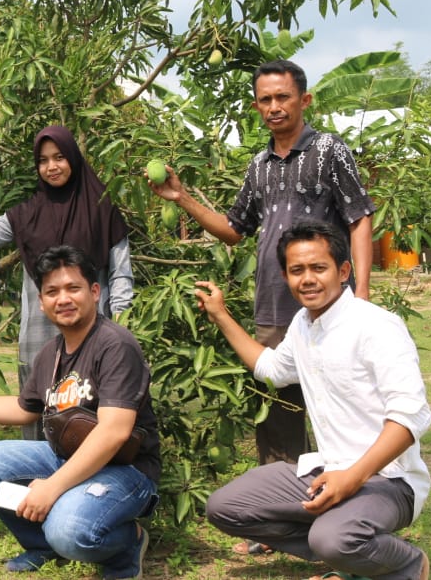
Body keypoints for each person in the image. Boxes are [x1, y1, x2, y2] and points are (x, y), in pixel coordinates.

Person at [149, 59, 375, 554]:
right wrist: (182, 197)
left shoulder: (329, 150)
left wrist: (361, 291)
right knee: (278, 414)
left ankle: (360, 511)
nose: (274, 107)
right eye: (265, 100)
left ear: (304, 100)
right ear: (257, 106)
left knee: (346, 409)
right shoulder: (258, 165)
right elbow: (234, 230)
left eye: (283, 97)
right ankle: (286, 519)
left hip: (331, 305)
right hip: (275, 307)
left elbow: (359, 218)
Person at [196, 220, 431, 580]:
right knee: (225, 507)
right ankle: (344, 548)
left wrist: (352, 478)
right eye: (297, 270)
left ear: (343, 270)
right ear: (286, 276)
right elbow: (271, 369)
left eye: (318, 268)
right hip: (326, 469)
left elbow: (410, 418)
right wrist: (220, 315)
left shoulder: (377, 326)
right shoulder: (303, 325)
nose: (307, 279)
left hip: (389, 480)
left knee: (332, 538)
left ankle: (404, 564)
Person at [0, 245, 158, 578]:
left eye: (73, 288)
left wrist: (52, 487)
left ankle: (128, 543)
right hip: (69, 456)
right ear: (42, 302)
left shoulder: (114, 344)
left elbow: (114, 431)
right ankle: (40, 544)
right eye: (52, 292)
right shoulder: (51, 353)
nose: (64, 299)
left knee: (68, 532)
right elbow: (24, 407)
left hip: (126, 469)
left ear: (95, 291)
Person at [0, 126, 133, 440]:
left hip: (94, 331)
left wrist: (122, 324)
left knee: (92, 411)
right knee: (37, 410)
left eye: (59, 157)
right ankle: (38, 474)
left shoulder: (102, 210)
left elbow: (120, 273)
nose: (51, 167)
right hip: (40, 335)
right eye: (43, 160)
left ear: (74, 159)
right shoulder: (25, 215)